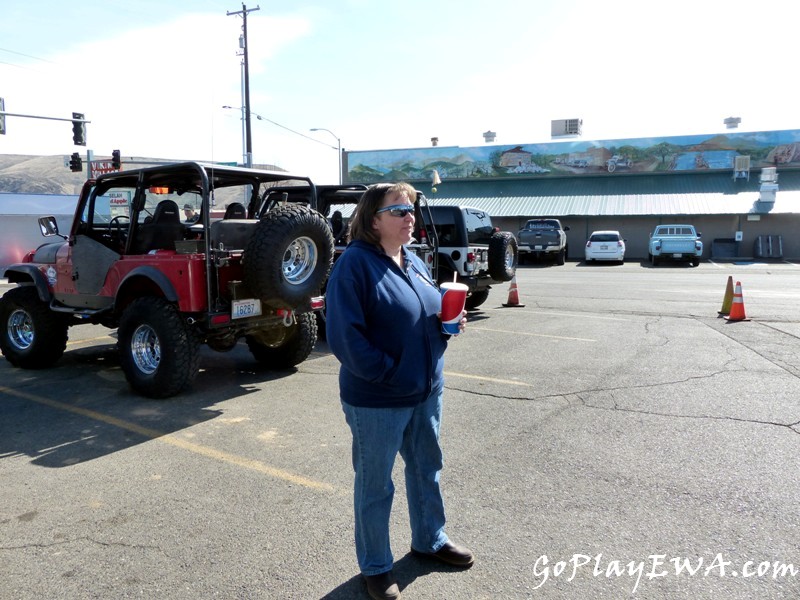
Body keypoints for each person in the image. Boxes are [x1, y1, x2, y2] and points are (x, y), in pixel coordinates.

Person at [325, 182, 472, 600]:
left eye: (411, 208)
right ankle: (375, 565)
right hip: (379, 398)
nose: (410, 216)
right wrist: (389, 373)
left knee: (427, 467)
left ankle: (431, 539)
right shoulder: (354, 264)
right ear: (374, 220)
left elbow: (423, 313)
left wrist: (447, 326)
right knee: (375, 485)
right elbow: (345, 339)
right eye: (399, 210)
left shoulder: (413, 260)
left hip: (425, 390)